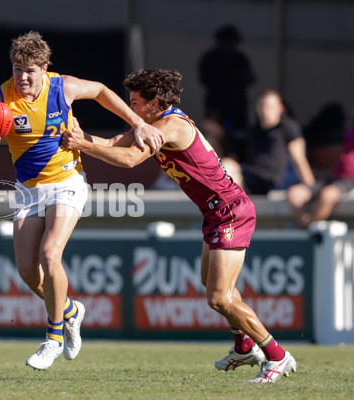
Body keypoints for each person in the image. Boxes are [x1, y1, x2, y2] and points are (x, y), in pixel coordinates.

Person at [63, 69, 297, 383]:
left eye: (134, 102)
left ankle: (277, 356)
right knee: (213, 285)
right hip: (216, 213)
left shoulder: (170, 125)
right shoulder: (151, 123)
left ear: (153, 102)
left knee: (219, 298)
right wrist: (77, 138)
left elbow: (130, 159)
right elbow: (112, 143)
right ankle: (244, 346)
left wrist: (85, 145)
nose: (129, 108)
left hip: (230, 211)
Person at [0, 31, 165, 370]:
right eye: (17, 68)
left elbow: (100, 91)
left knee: (51, 254)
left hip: (67, 180)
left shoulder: (61, 87)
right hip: (28, 189)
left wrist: (138, 123)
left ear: (45, 68)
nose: (22, 77)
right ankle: (70, 311)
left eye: (30, 70)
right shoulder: (0, 95)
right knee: (27, 271)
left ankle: (52, 338)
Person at [222, 89, 315, 195]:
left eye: (270, 107)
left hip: (271, 180)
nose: (265, 110)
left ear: (280, 108)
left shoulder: (288, 127)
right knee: (224, 165)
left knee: (229, 168)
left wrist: (310, 187)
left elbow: (299, 159)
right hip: (252, 176)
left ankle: (232, 206)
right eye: (262, 106)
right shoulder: (254, 130)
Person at [198, 24, 255, 156]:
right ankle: (232, 159)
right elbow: (251, 78)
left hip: (220, 103)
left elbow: (203, 80)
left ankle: (222, 160)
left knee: (218, 135)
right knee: (225, 135)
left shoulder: (210, 56)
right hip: (232, 104)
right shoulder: (238, 57)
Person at [287, 123, 354, 228]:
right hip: (334, 177)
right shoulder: (350, 130)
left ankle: (308, 232)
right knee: (295, 194)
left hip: (349, 181)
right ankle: (305, 229)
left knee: (327, 195)